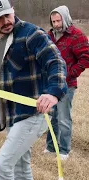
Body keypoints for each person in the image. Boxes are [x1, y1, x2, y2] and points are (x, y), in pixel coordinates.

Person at [0, 0, 68, 179]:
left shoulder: (32, 34)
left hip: (33, 113)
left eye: (8, 15)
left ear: (13, 10)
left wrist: (53, 92)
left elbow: (56, 61)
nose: (6, 21)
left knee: (3, 165)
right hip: (13, 114)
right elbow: (3, 73)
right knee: (21, 168)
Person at [44, 5, 89, 160]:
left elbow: (86, 58)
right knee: (52, 116)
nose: (56, 24)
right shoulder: (49, 35)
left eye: (58, 20)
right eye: (53, 21)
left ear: (66, 18)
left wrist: (70, 74)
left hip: (67, 85)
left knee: (63, 118)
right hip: (51, 84)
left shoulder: (77, 35)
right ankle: (50, 147)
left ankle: (64, 151)